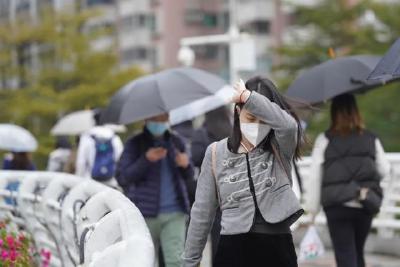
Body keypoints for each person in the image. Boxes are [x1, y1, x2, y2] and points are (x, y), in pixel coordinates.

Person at [183, 77, 304, 267]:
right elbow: (202, 212)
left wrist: (249, 97)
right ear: (237, 112)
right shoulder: (216, 152)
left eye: (263, 119)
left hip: (277, 247)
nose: (256, 126)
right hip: (233, 249)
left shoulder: (279, 147)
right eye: (251, 118)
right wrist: (190, 261)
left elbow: (288, 125)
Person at [304, 93, 390, 267]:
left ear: (334, 113)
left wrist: (312, 210)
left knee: (345, 255)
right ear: (356, 112)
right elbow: (385, 170)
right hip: (364, 203)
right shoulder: (370, 138)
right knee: (358, 253)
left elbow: (315, 177)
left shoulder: (325, 139)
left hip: (336, 206)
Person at [117, 113, 194, 267]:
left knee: (176, 261)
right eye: (156, 120)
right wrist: (146, 160)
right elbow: (123, 177)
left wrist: (185, 165)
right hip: (144, 214)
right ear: (146, 120)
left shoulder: (177, 142)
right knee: (144, 260)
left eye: (163, 120)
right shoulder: (135, 143)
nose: (160, 123)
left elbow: (189, 175)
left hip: (175, 212)